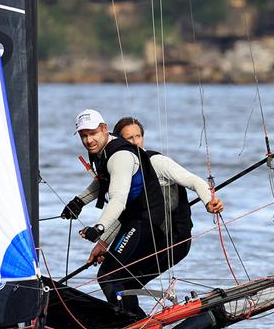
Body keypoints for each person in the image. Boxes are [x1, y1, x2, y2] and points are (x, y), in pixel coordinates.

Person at [61, 109, 167, 318]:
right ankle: (134, 321)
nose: (89, 140)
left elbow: (118, 199)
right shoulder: (103, 152)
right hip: (132, 221)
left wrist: (99, 228)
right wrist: (79, 202)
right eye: (83, 136)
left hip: (146, 220)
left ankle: (134, 324)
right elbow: (102, 181)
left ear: (104, 129)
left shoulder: (119, 156)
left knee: (109, 275)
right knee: (114, 276)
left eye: (93, 133)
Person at [112, 117, 224, 271]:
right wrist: (103, 243)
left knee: (118, 276)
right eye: (129, 138)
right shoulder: (122, 170)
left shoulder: (156, 162)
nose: (135, 142)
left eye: (138, 136)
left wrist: (208, 202)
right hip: (148, 237)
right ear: (119, 142)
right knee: (117, 275)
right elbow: (121, 213)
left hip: (174, 238)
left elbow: (193, 180)